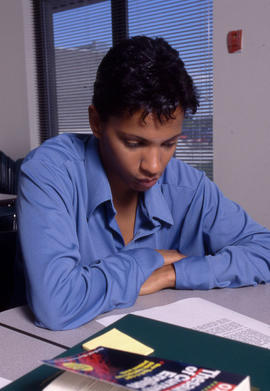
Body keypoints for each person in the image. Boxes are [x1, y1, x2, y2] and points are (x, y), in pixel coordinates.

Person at [17, 36, 270, 330]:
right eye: (134, 143)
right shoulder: (49, 173)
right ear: (96, 122)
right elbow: (57, 305)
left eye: (169, 144)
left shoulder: (187, 186)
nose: (154, 166)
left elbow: (264, 249)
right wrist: (146, 260)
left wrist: (173, 273)